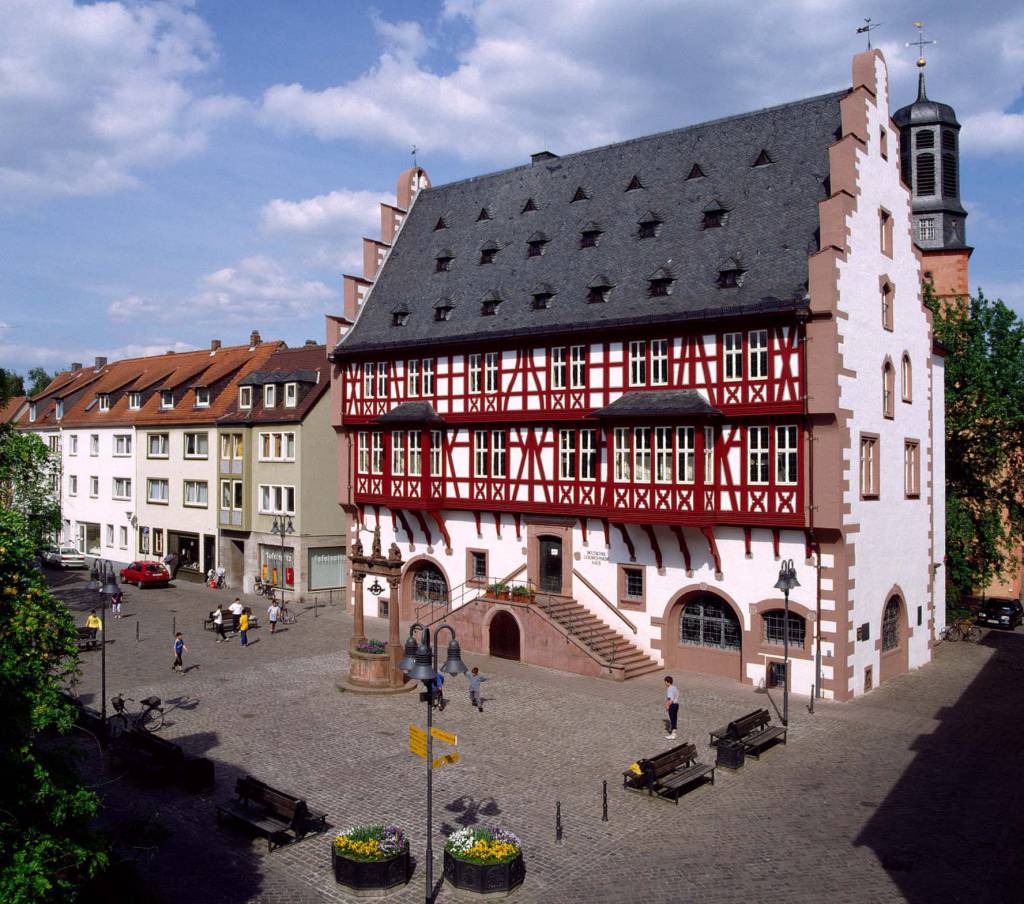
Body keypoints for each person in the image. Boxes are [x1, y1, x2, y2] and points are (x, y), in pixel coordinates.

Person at [664, 675, 679, 741]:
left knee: (672, 719)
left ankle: (673, 734)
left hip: (672, 705)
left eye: (665, 682)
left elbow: (671, 699)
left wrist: (667, 705)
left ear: (667, 682)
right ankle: (674, 731)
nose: (665, 683)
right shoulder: (674, 687)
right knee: (674, 718)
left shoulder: (669, 689)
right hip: (676, 705)